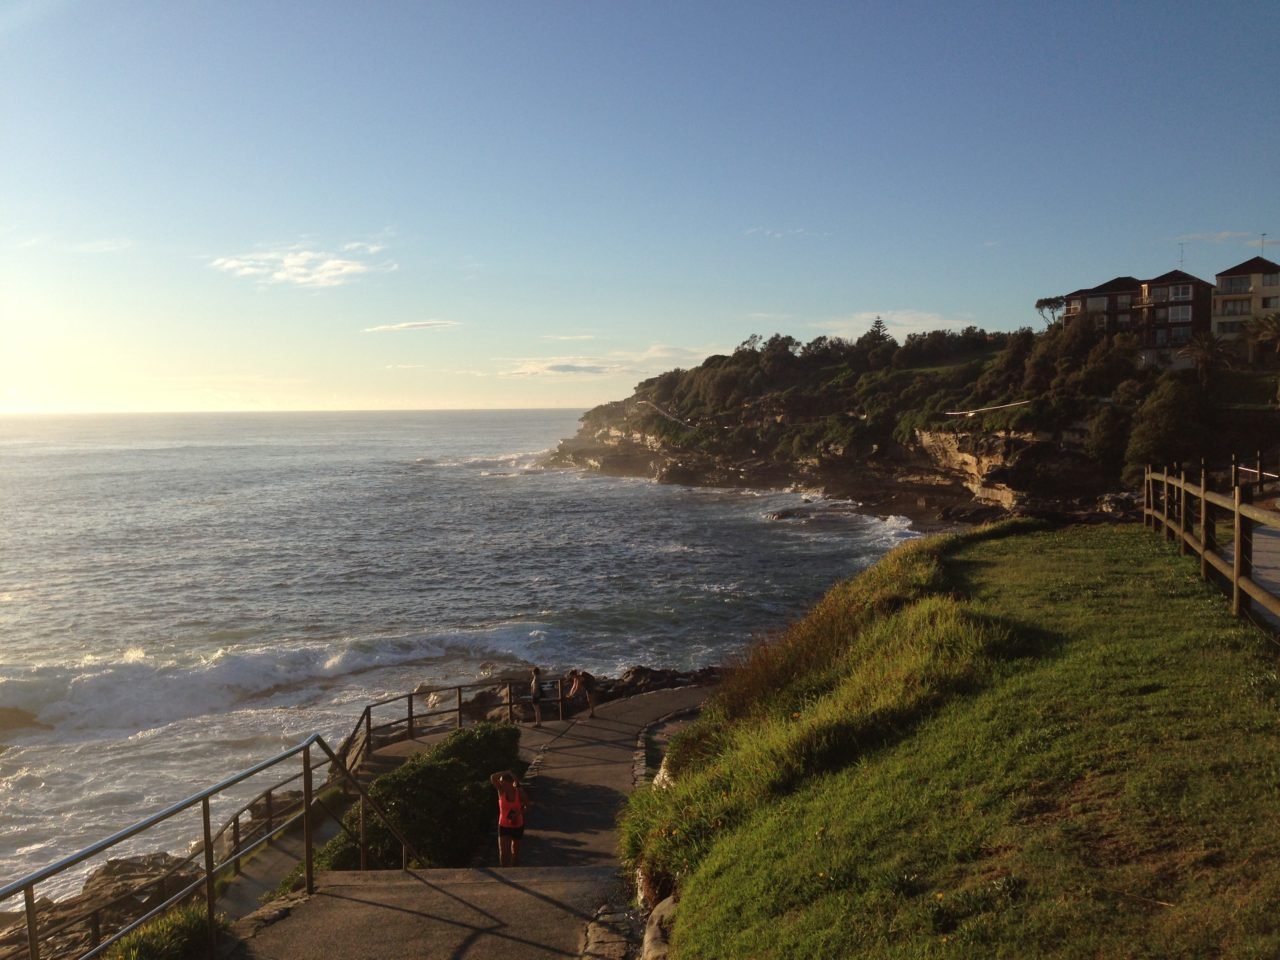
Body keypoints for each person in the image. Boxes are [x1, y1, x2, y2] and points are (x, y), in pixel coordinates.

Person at [489, 770, 530, 867]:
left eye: (504, 782)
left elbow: (527, 806)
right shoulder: (501, 791)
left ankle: (514, 872)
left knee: (515, 853)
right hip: (503, 825)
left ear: (511, 783)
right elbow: (492, 777)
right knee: (503, 852)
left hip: (517, 825)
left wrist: (518, 813)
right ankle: (504, 871)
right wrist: (507, 772)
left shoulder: (519, 793)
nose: (501, 783)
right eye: (501, 782)